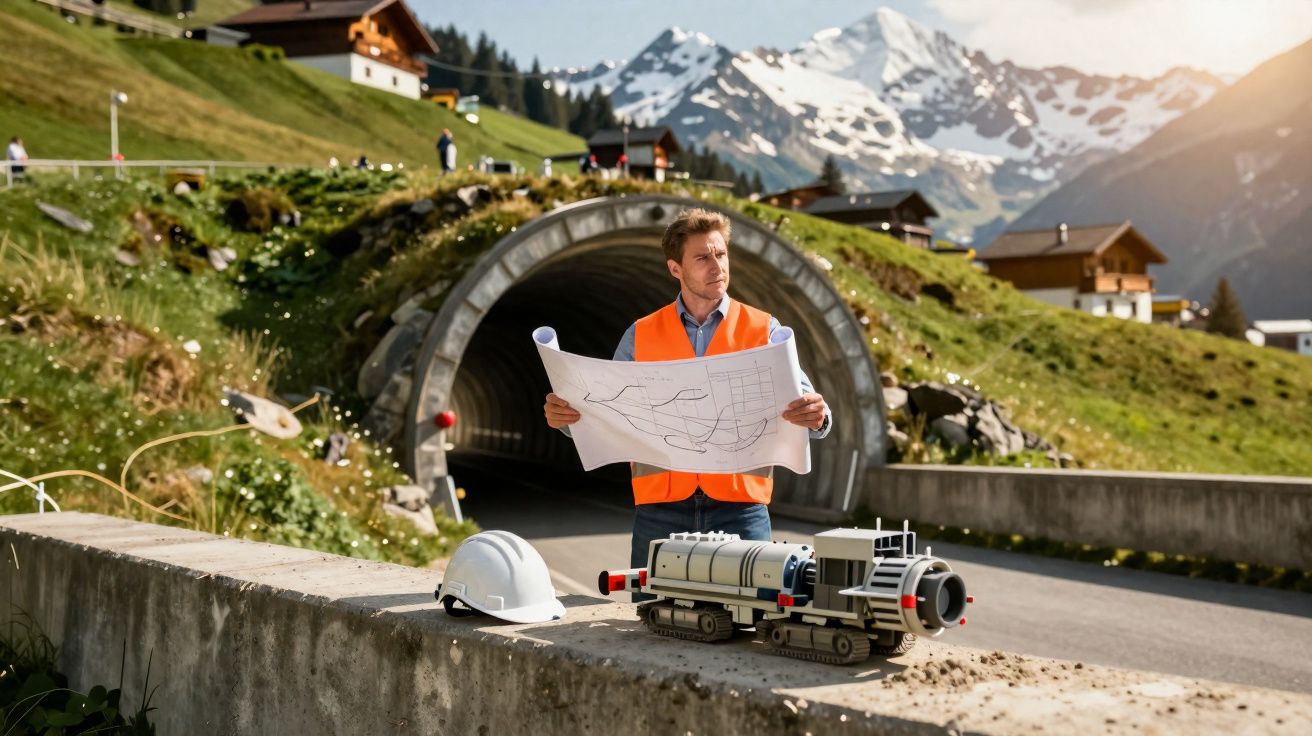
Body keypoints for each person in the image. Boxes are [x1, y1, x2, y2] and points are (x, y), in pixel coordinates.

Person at [543, 208, 831, 601]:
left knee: (754, 622)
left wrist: (818, 416)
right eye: (702, 257)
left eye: (721, 254)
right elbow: (606, 413)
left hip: (741, 509)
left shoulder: (764, 328)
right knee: (654, 621)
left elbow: (809, 405)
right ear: (675, 269)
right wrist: (567, 419)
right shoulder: (641, 334)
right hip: (660, 510)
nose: (717, 266)